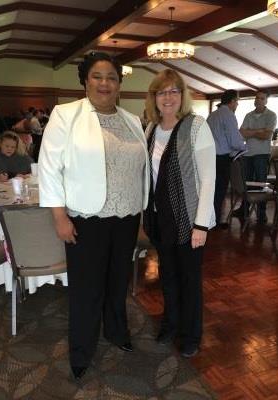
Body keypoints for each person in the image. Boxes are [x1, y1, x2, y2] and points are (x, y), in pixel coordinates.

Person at [38, 52, 150, 381]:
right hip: (87, 218)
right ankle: (82, 350)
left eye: (112, 77)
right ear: (86, 80)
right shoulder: (66, 114)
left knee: (118, 282)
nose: (105, 83)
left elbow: (141, 171)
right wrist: (59, 216)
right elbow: (49, 167)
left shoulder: (132, 120)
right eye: (97, 76)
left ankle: (117, 332)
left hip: (127, 216)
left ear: (119, 83)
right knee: (87, 289)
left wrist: (141, 212)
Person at [143, 69, 216, 358]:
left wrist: (201, 225)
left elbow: (209, 179)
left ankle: (191, 334)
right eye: (162, 92)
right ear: (154, 97)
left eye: (174, 91)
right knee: (168, 276)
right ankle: (170, 324)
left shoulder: (196, 126)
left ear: (182, 95)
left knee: (189, 279)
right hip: (160, 218)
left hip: (189, 219)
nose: (168, 97)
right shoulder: (151, 128)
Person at [207, 90, 246, 228]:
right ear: (232, 101)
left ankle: (208, 220)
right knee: (219, 191)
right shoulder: (228, 115)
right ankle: (215, 222)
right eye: (236, 101)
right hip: (222, 158)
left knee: (210, 190)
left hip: (210, 157)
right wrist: (244, 146)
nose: (237, 104)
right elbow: (234, 141)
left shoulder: (212, 115)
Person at [238, 90, 277, 223]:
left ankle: (261, 213)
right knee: (245, 182)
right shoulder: (248, 115)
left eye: (261, 98)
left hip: (262, 154)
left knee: (261, 183)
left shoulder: (271, 115)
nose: (258, 100)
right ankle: (244, 209)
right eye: (257, 98)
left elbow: (267, 135)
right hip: (247, 153)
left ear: (266, 101)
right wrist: (259, 131)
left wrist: (251, 132)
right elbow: (242, 134)